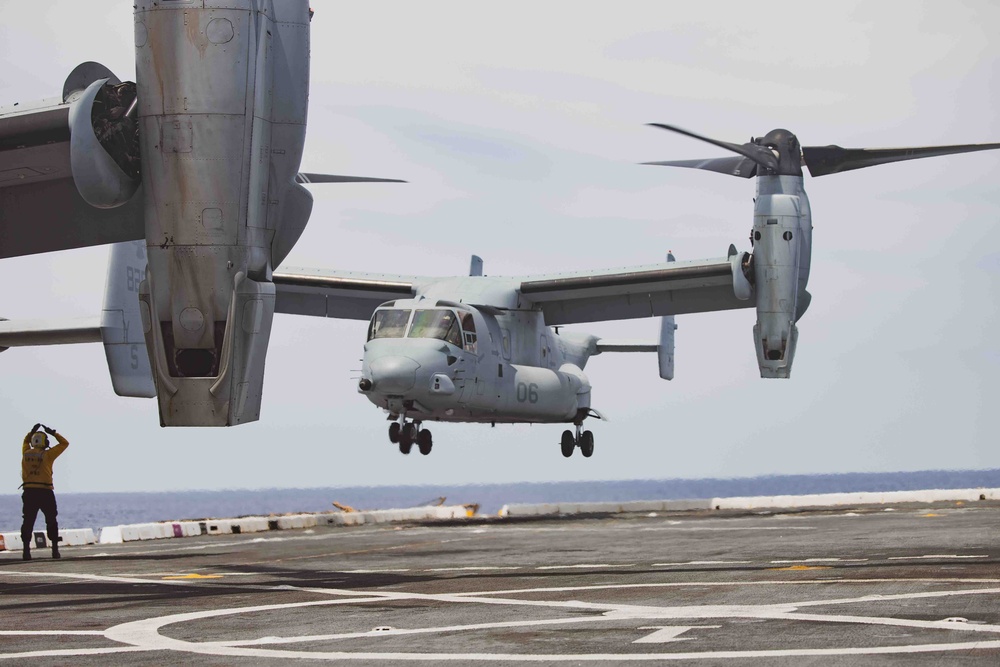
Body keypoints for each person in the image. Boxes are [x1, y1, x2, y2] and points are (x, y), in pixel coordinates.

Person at [20, 423, 69, 561]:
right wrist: (53, 433)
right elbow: (65, 443)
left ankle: (26, 551)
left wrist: (31, 432)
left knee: (28, 520)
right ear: (45, 442)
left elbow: (25, 441)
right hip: (45, 491)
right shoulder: (48, 454)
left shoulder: (26, 452)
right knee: (51, 520)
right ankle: (54, 550)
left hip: (29, 491)